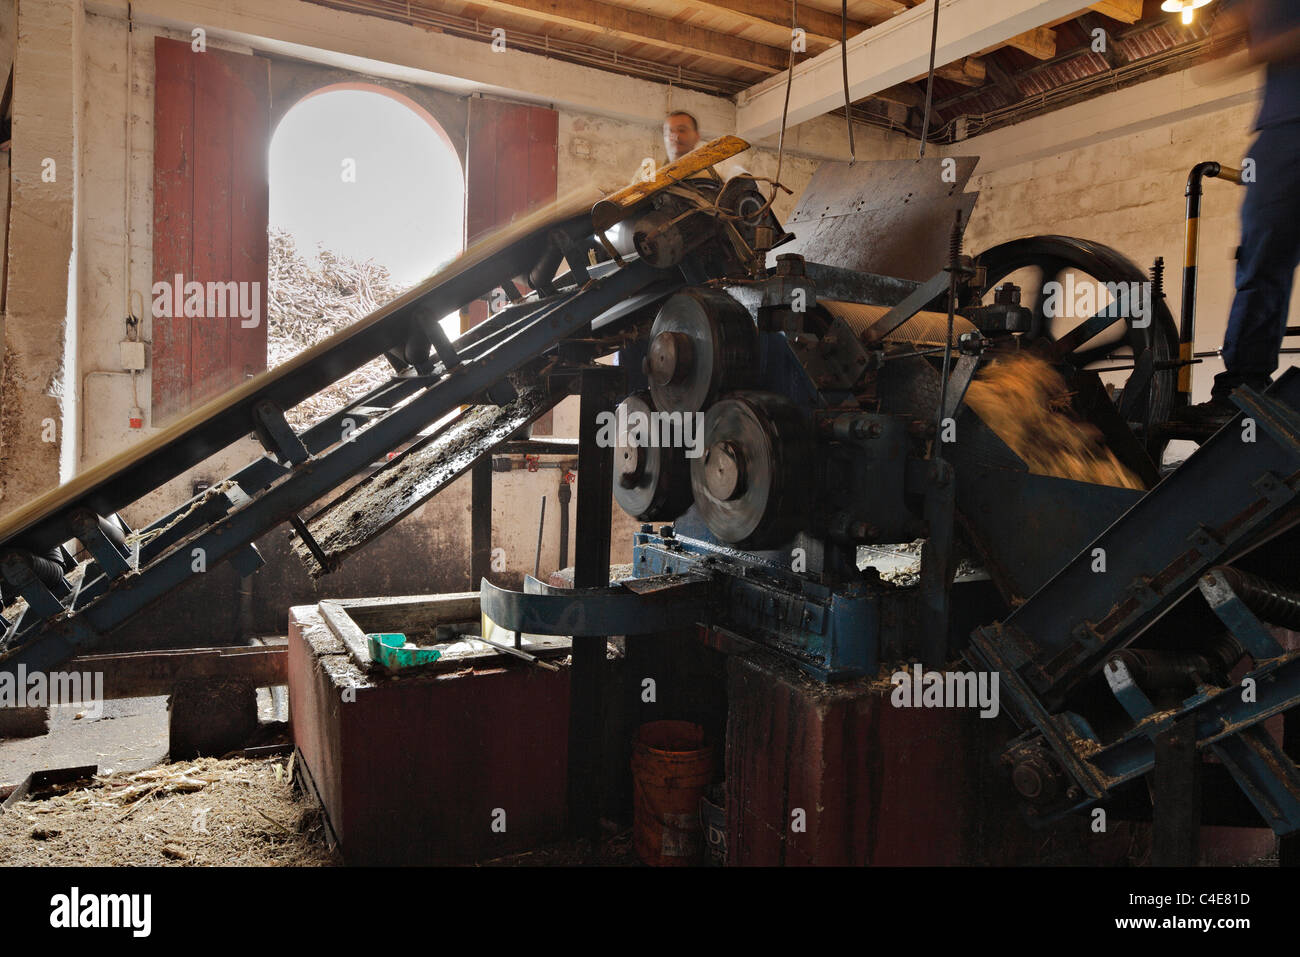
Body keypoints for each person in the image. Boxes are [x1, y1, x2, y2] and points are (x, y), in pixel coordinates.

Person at [1187, 0, 1300, 419]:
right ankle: (1243, 389)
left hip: (1283, 135)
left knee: (1265, 258)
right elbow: (1210, 60)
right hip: (1283, 135)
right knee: (1263, 257)